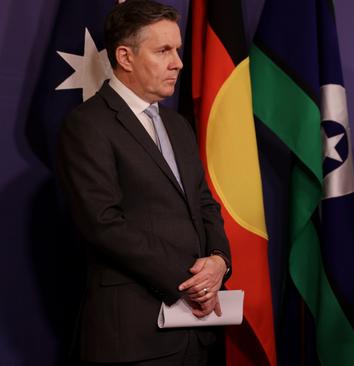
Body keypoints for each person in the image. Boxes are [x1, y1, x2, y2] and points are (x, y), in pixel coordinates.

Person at [56, 1, 231, 365]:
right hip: (134, 336)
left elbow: (203, 203)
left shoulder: (178, 126)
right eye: (163, 50)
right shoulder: (88, 125)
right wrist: (190, 281)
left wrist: (218, 261)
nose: (178, 63)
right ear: (125, 56)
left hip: (197, 335)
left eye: (178, 50)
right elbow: (102, 223)